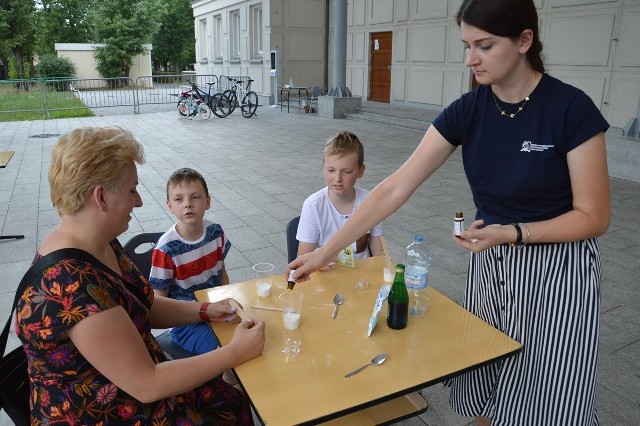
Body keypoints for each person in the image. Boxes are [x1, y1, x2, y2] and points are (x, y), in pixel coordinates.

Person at [286, 0, 610, 424]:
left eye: (485, 45)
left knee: (544, 397)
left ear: (524, 40)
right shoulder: (469, 110)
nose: (470, 59)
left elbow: (594, 216)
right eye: (466, 45)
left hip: (559, 273)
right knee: (483, 381)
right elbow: (393, 188)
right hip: (493, 268)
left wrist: (513, 232)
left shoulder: (571, 109)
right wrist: (323, 252)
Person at [15, 126, 265, 425]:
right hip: (103, 412)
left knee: (230, 399)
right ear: (101, 197)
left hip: (131, 386)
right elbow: (147, 384)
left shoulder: (99, 242)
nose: (139, 202)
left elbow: (144, 304)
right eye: (132, 189)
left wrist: (205, 310)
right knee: (230, 407)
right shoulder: (69, 283)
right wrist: (235, 352)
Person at [149, 167, 230, 355]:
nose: (188, 204)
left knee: (251, 332)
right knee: (227, 353)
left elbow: (222, 272)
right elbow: (158, 302)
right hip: (185, 324)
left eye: (195, 197)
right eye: (179, 199)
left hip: (216, 308)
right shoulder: (166, 249)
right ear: (169, 205)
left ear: (208, 201)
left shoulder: (215, 232)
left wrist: (224, 298)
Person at [296, 130, 384, 262]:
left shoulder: (370, 202)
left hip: (361, 277)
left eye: (347, 171)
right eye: (331, 170)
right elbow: (302, 259)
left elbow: (380, 257)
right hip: (325, 276)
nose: (337, 178)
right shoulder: (313, 205)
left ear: (361, 171)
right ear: (323, 168)